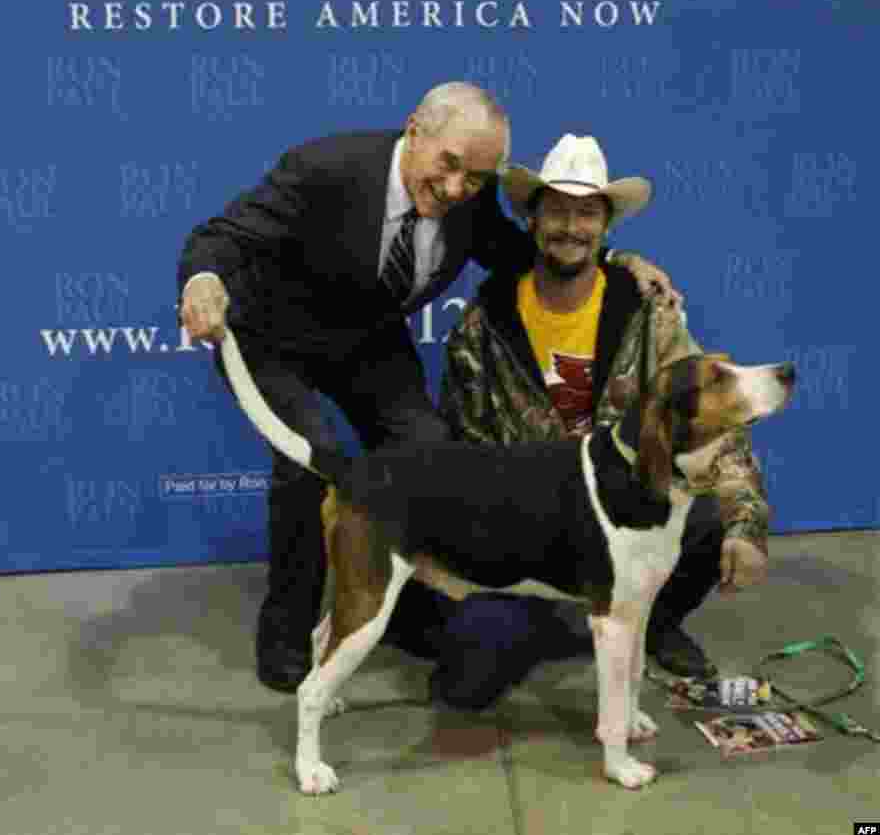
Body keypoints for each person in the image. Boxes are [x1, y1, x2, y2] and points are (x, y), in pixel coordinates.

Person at [178, 88, 673, 692]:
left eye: (477, 177)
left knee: (428, 448)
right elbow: (225, 234)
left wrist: (617, 261)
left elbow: (524, 251)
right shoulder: (325, 167)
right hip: (273, 338)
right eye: (450, 164)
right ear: (415, 130)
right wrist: (204, 281)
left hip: (365, 341)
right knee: (308, 462)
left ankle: (399, 607)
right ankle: (288, 629)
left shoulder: (473, 195)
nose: (458, 187)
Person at [433, 133, 770, 709]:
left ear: (606, 226)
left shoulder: (649, 312)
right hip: (531, 546)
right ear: (532, 219)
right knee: (465, 683)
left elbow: (717, 425)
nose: (571, 227)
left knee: (709, 517)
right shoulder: (482, 326)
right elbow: (468, 455)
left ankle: (650, 621)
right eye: (557, 211)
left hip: (631, 524)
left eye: (586, 213)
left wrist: (747, 526)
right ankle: (580, 622)